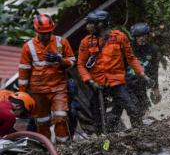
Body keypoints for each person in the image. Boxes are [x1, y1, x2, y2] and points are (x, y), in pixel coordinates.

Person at [77, 9, 152, 131]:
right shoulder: (86, 42)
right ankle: (105, 140)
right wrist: (89, 81)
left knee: (132, 109)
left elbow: (131, 58)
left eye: (91, 23)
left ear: (100, 24)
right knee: (97, 117)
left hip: (116, 83)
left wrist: (142, 74)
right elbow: (80, 64)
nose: (87, 26)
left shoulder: (119, 37)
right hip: (97, 84)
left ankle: (139, 133)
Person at [18, 14, 75, 142]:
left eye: (48, 33)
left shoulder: (61, 42)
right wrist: (22, 94)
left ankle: (62, 147)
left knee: (61, 118)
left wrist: (59, 60)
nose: (45, 36)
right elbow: (23, 72)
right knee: (42, 122)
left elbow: (72, 62)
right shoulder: (28, 47)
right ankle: (46, 149)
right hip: (38, 91)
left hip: (58, 88)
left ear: (52, 30)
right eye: (42, 33)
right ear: (36, 31)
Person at [126, 22, 161, 116]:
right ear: (135, 37)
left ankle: (139, 128)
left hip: (141, 84)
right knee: (134, 109)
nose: (142, 38)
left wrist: (156, 89)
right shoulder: (128, 48)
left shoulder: (153, 49)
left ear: (148, 35)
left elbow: (154, 70)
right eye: (139, 36)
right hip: (127, 84)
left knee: (143, 109)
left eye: (144, 35)